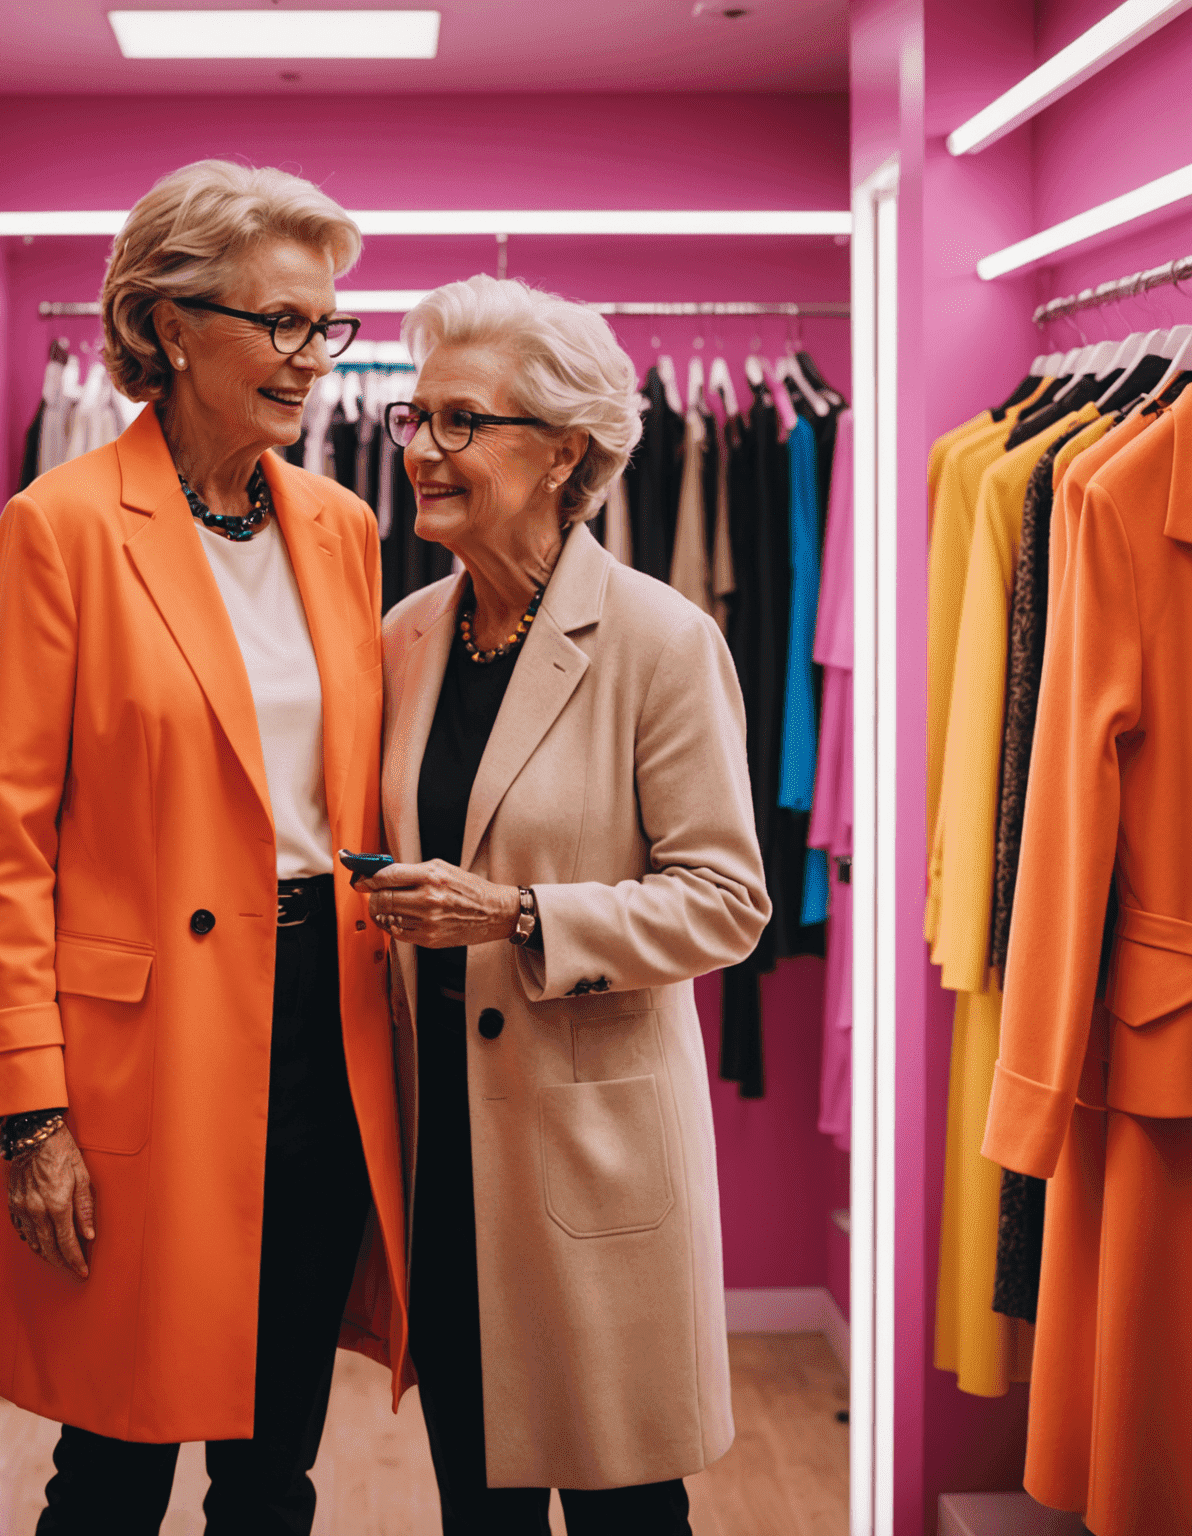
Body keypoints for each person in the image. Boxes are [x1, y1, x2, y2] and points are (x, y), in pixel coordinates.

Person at [0, 160, 408, 1535]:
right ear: (163, 325)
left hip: (325, 1035)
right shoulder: (63, 527)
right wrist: (32, 1115)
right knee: (110, 1468)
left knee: (273, 1463)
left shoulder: (342, 528)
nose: (308, 357)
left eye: (322, 326)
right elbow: (5, 844)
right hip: (138, 1061)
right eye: (277, 321)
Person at [357, 275, 772, 1535]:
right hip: (444, 1160)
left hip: (590, 1158)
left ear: (565, 455)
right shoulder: (402, 636)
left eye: (462, 422)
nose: (424, 451)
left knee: (625, 1511)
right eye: (415, 419)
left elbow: (726, 903)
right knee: (475, 1506)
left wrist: (523, 915)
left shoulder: (660, 639)